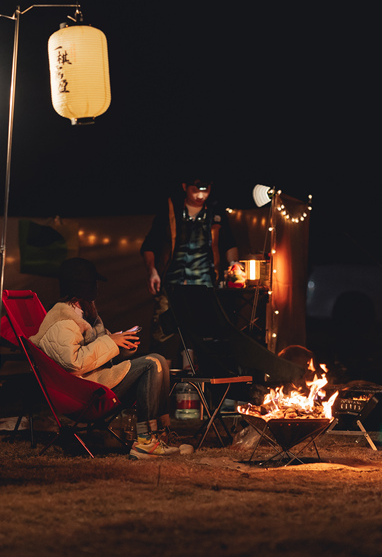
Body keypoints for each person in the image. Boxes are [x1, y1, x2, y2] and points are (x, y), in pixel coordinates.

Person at [30, 257, 190, 459]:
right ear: (85, 289)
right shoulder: (63, 323)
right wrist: (111, 342)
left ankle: (161, 435)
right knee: (152, 363)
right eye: (94, 285)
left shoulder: (84, 317)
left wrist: (122, 345)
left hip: (97, 381)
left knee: (158, 360)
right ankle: (145, 441)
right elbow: (74, 363)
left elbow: (101, 350)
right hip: (86, 394)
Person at [141, 176, 238, 370]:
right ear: (185, 186)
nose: (201, 195)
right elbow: (150, 245)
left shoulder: (215, 212)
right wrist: (152, 271)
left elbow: (229, 243)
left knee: (200, 334)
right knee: (164, 332)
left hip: (203, 284)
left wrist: (234, 265)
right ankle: (161, 381)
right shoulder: (170, 210)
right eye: (196, 190)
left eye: (206, 190)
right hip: (171, 283)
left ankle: (193, 381)